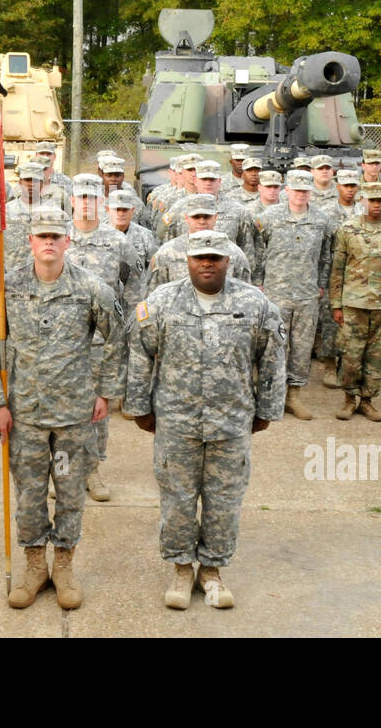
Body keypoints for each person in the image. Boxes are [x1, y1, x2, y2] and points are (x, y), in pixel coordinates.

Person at [128, 229, 285, 609]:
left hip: (231, 423)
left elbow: (272, 358)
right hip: (177, 422)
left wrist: (267, 409)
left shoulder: (254, 304)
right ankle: (182, 568)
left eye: (215, 257)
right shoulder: (162, 302)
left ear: (228, 260)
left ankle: (212, 570)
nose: (207, 263)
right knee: (178, 499)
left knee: (224, 500)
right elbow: (139, 353)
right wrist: (139, 406)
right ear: (188, 260)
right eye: (200, 257)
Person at [0, 206, 126, 610]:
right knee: (29, 494)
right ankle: (34, 567)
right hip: (25, 415)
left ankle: (63, 565)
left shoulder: (91, 288)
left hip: (72, 417)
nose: (48, 242)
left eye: (56, 236)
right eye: (41, 236)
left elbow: (116, 339)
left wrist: (105, 393)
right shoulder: (9, 289)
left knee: (67, 493)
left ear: (68, 241)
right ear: (29, 242)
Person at [64, 174, 145, 502]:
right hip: (62, 342)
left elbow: (134, 283)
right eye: (81, 197)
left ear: (102, 203)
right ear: (71, 201)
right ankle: (65, 472)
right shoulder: (59, 237)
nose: (86, 203)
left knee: (98, 408)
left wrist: (127, 326)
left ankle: (93, 470)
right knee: (63, 409)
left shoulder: (117, 242)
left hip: (102, 341)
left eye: (92, 198)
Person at [253, 169, 333, 420]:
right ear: (286, 190)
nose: (300, 195)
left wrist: (320, 284)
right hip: (276, 294)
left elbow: (326, 256)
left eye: (305, 190)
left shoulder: (321, 219)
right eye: (296, 190)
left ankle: (293, 396)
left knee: (301, 348)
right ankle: (269, 396)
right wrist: (258, 284)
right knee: (273, 346)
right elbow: (257, 251)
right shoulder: (269, 217)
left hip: (307, 296)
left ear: (311, 192)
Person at [328, 182, 381, 421]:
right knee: (350, 354)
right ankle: (348, 399)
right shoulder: (348, 230)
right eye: (372, 200)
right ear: (363, 200)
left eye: (380, 200)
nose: (376, 205)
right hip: (353, 305)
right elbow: (338, 269)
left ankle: (367, 400)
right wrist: (336, 304)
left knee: (375, 356)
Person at [148, 195, 251, 289]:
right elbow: (153, 294)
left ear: (215, 218)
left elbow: (246, 294)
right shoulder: (167, 253)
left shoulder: (233, 253)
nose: (202, 222)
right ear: (186, 218)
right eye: (196, 217)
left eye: (207, 217)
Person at [107, 188, 158, 265]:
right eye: (116, 209)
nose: (121, 214)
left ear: (132, 210)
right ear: (108, 210)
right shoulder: (98, 235)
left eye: (125, 210)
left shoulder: (145, 236)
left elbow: (154, 267)